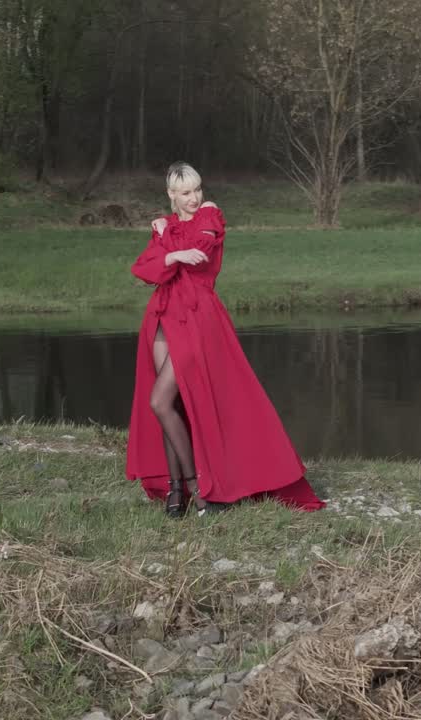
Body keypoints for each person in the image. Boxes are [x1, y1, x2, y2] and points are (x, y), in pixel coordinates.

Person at [126, 162, 325, 517]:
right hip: (163, 317)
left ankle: (197, 489)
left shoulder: (209, 217)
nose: (194, 198)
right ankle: (176, 491)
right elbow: (144, 269)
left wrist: (169, 249)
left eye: (197, 189)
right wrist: (170, 252)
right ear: (171, 195)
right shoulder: (165, 226)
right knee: (172, 405)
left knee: (160, 401)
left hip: (197, 318)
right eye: (185, 192)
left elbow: (199, 252)